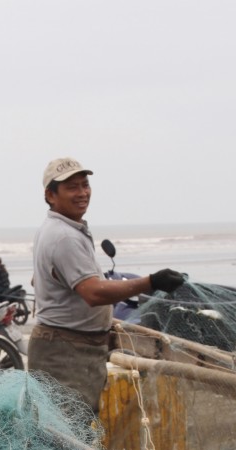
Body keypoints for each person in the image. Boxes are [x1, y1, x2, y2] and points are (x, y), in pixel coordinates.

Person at [28, 157, 185, 413]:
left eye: (85, 185)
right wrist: (151, 282)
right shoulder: (64, 236)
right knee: (67, 435)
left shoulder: (58, 228)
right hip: (65, 353)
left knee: (65, 430)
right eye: (72, 188)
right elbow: (92, 293)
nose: (82, 193)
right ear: (50, 195)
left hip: (70, 349)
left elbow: (43, 278)